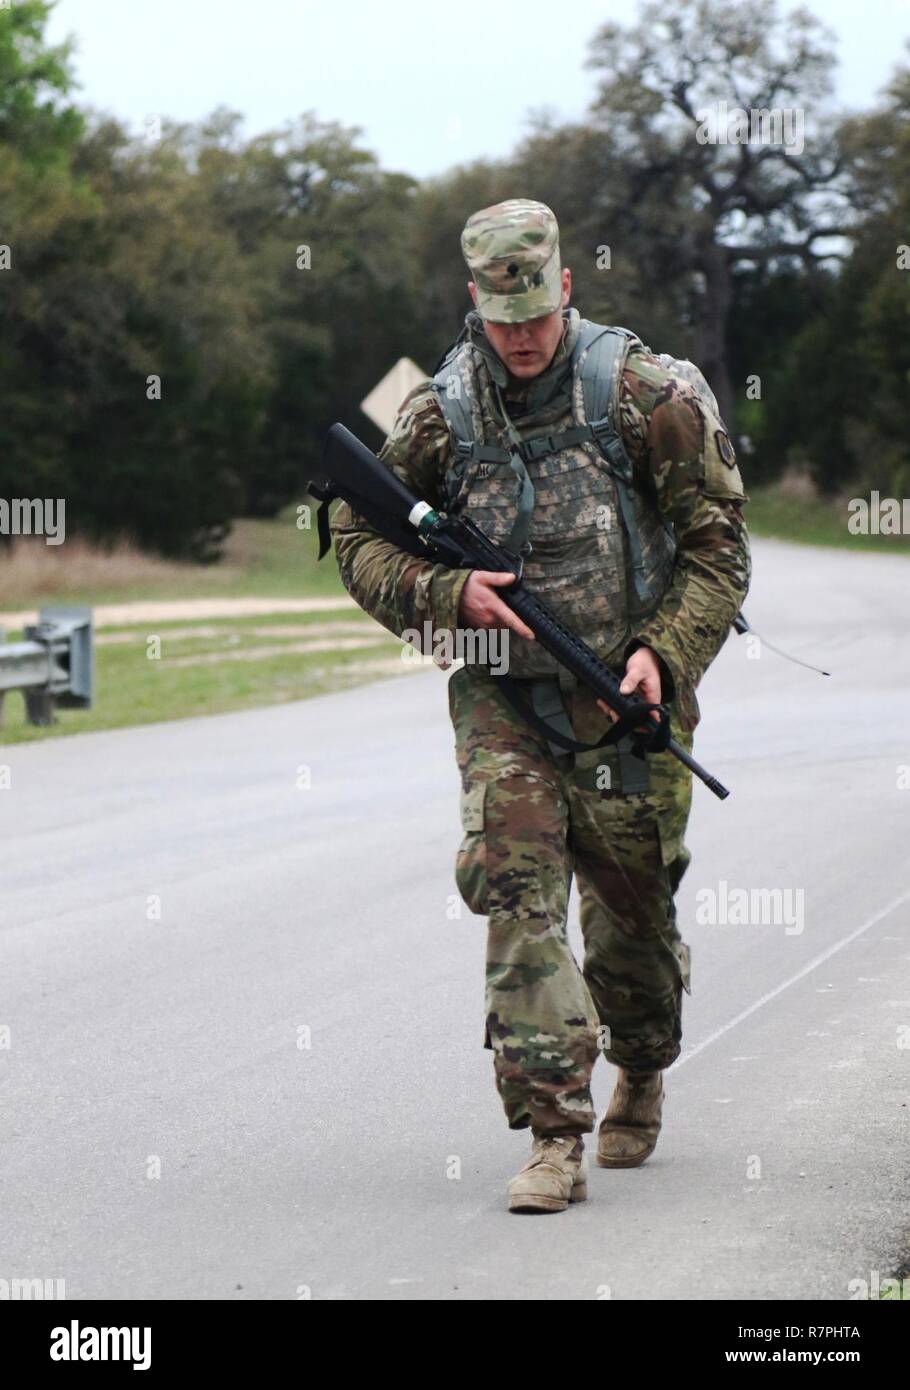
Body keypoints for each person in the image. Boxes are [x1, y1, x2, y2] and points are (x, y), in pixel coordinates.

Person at [331, 198, 750, 1213]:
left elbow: (718, 549)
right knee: (515, 889)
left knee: (629, 922)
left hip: (628, 697)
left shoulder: (645, 395)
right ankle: (551, 1130)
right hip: (502, 694)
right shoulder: (438, 411)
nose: (521, 338)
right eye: (501, 318)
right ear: (475, 301)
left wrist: (663, 652)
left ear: (565, 287)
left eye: (536, 314)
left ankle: (641, 1062)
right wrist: (447, 593)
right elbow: (355, 534)